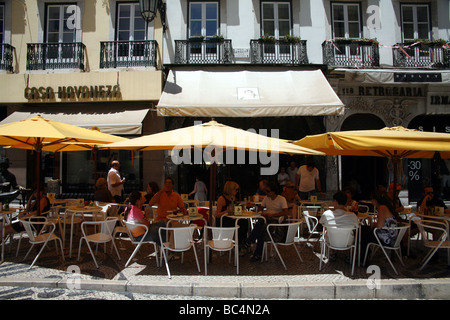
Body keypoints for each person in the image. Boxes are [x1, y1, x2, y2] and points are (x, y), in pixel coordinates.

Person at [243, 181, 289, 262]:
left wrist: (273, 215)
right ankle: (257, 253)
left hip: (276, 222)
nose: (266, 193)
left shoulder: (281, 199)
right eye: (265, 191)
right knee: (261, 229)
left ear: (273, 192)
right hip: (267, 220)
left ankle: (250, 242)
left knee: (261, 224)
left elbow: (286, 212)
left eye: (268, 191)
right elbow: (261, 207)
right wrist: (262, 212)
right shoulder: (266, 198)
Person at [360, 191, 398, 265]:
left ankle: (363, 259)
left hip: (387, 238)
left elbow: (379, 226)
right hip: (390, 235)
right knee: (363, 229)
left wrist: (374, 224)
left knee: (362, 235)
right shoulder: (385, 206)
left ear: (375, 200)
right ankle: (365, 255)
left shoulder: (382, 208)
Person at [319, 191, 358, 259]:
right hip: (347, 243)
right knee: (351, 232)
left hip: (331, 241)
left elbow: (321, 222)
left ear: (335, 201)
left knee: (328, 231)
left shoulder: (327, 214)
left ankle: (332, 252)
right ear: (346, 203)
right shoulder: (352, 216)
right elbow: (357, 227)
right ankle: (347, 254)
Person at [215, 181, 248, 246]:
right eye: (236, 190)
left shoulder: (233, 197)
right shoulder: (221, 199)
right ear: (230, 189)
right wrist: (226, 211)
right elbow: (217, 214)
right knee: (241, 223)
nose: (237, 191)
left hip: (232, 219)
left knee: (244, 221)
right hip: (223, 221)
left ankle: (241, 242)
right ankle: (240, 244)